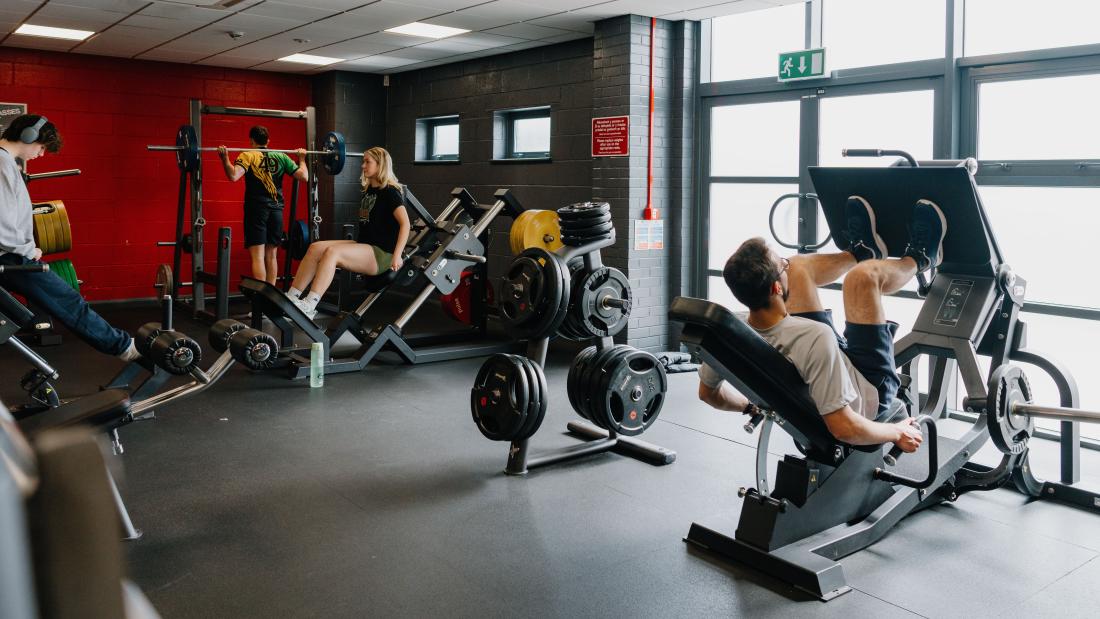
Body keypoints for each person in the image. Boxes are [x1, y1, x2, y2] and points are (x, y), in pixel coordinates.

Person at [697, 196, 949, 454]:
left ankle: (862, 252)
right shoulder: (814, 337)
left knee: (799, 267)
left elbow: (708, 393)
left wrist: (751, 407)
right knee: (863, 278)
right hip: (868, 391)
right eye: (780, 265)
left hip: (822, 361)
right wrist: (896, 431)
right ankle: (922, 258)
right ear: (776, 287)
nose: (785, 266)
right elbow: (844, 427)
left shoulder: (730, 331)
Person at [0, 114, 140, 361]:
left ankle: (123, 345)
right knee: (68, 300)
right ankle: (124, 347)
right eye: (42, 147)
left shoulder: (8, 162)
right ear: (28, 136)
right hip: (11, 257)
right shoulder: (2, 163)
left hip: (14, 253)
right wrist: (26, 250)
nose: (41, 154)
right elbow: (1, 222)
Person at [284, 147, 410, 319]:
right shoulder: (368, 190)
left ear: (380, 165)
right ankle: (291, 298)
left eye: (367, 162)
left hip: (382, 253)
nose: (362, 166)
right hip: (365, 245)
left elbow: (405, 224)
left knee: (332, 252)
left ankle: (309, 305)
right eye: (363, 161)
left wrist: (397, 256)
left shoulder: (390, 191)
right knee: (315, 247)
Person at [217, 126, 308, 285]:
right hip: (276, 210)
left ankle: (261, 301)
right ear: (268, 141)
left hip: (256, 210)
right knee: (271, 255)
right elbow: (304, 176)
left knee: (258, 256)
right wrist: (301, 159)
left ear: (251, 140)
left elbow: (233, 176)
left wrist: (224, 158)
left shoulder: (248, 155)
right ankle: (270, 300)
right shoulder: (282, 156)